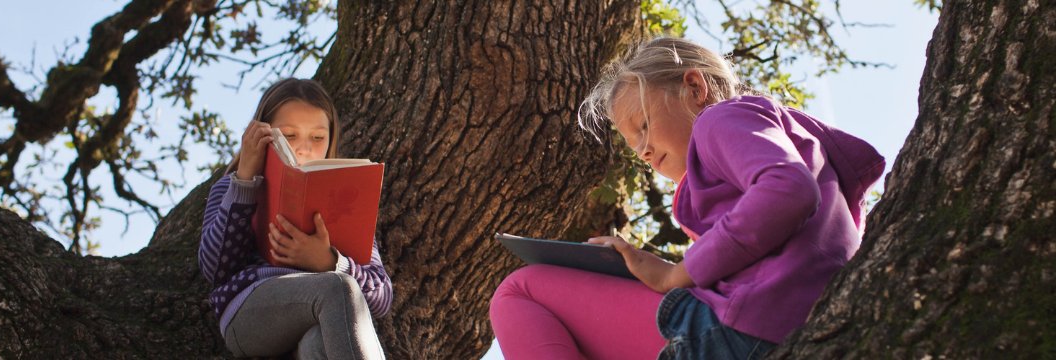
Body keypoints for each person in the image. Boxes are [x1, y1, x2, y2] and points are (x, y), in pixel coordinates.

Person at [490, 36, 884, 359]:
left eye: (643, 125)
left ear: (694, 88)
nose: (643, 151)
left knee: (519, 289)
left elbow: (789, 190)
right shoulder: (786, 147)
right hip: (777, 326)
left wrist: (675, 274)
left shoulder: (721, 117)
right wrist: (660, 267)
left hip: (740, 334)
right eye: (632, 147)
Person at [198, 78, 392, 359]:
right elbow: (214, 267)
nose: (304, 148)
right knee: (338, 287)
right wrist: (245, 181)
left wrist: (329, 262)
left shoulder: (352, 206)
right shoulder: (231, 187)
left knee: (318, 343)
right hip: (252, 313)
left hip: (320, 325)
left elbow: (382, 297)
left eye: (317, 138)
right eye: (289, 136)